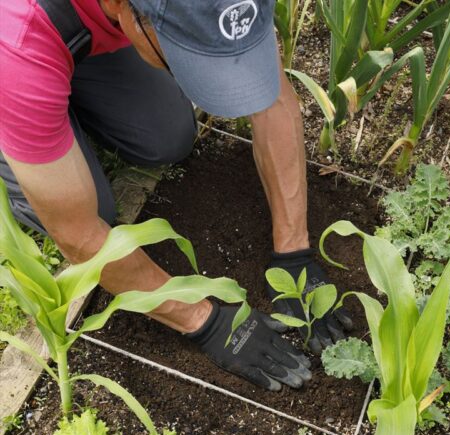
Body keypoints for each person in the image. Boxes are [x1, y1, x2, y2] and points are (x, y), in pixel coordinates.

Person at [0, 0, 352, 392]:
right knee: (96, 212)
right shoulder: (15, 40)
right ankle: (24, 125)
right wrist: (203, 319)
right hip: (21, 52)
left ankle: (54, 101)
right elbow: (77, 233)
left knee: (169, 135)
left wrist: (294, 250)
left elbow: (271, 99)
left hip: (77, 33)